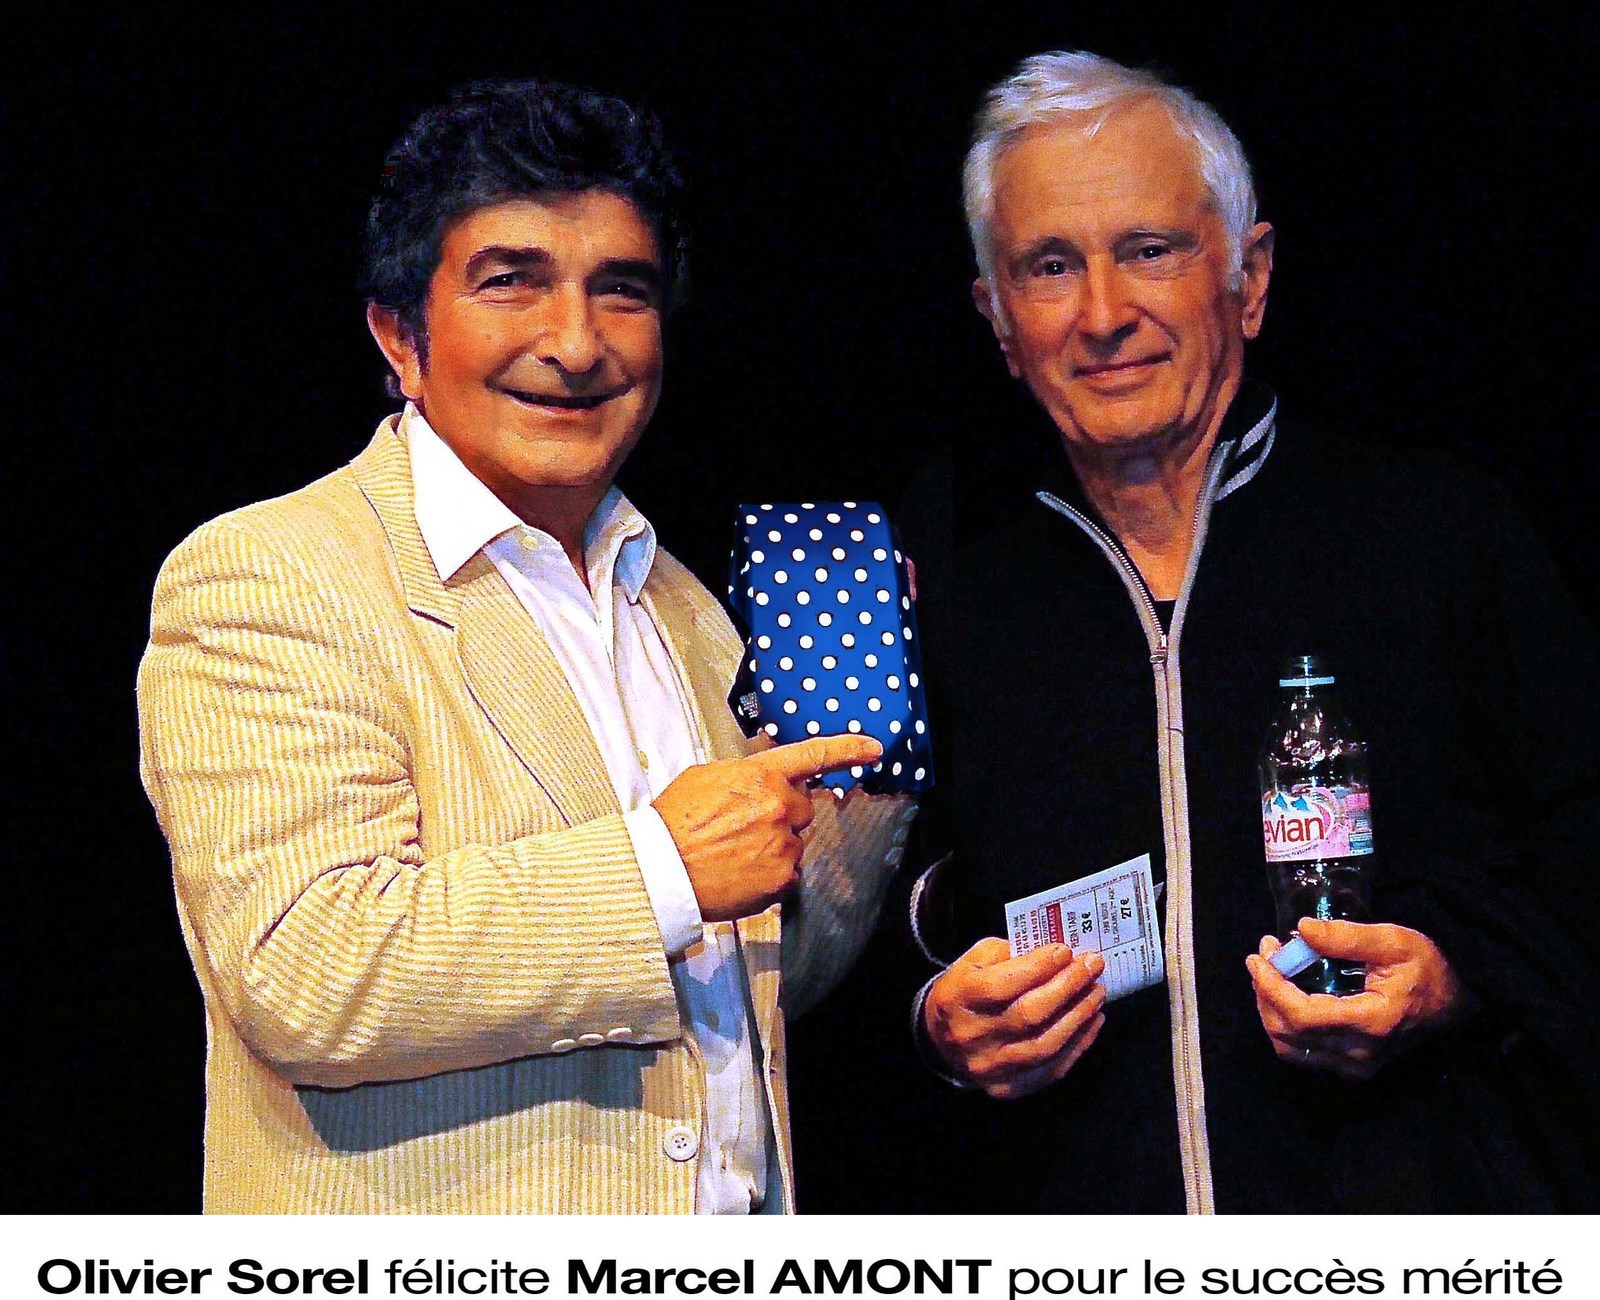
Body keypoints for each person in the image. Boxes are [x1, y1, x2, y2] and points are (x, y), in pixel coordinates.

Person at [137, 80, 912, 1215]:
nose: (577, 343)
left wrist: (875, 757)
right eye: (512, 281)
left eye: (622, 289)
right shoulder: (274, 572)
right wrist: (660, 868)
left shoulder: (687, 611)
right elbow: (307, 965)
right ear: (400, 335)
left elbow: (752, 989)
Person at [900, 51, 1600, 1213]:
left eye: (1149, 251)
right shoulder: (955, 606)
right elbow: (875, 942)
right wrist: (936, 1021)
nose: (1103, 315)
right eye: (1050, 266)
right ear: (998, 320)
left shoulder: (1439, 538)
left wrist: (1455, 978)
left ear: (1250, 276)